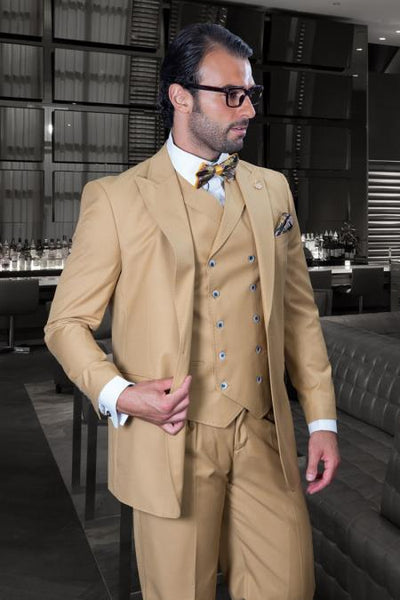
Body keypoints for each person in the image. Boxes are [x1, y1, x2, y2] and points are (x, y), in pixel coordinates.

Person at [45, 23, 340, 600]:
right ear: (180, 97)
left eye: (251, 93)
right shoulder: (116, 198)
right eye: (231, 94)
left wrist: (323, 420)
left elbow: (300, 316)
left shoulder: (273, 190)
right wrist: (120, 394)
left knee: (290, 587)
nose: (248, 109)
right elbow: (65, 324)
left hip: (263, 432)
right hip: (170, 440)